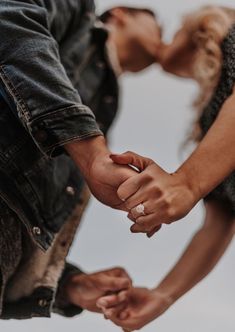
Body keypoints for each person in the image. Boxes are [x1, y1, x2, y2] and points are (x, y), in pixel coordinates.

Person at [0, 0, 163, 319]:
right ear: (120, 14)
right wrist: (91, 153)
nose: (164, 39)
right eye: (158, 27)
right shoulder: (79, 10)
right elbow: (8, 17)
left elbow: (28, 221)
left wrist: (70, 285)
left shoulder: (103, 111)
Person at [98, 6, 235, 330]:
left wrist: (186, 182)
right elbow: (221, 219)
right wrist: (164, 295)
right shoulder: (215, 127)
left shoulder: (232, 33)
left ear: (198, 28)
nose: (162, 45)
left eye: (168, 32)